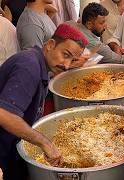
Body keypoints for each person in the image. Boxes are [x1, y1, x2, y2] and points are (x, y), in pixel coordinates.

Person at [0, 23, 88, 180]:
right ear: (50, 45)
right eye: (65, 55)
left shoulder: (40, 64)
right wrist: (44, 143)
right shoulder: (29, 66)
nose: (67, 65)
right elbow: (4, 114)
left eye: (72, 60)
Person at [69, 2, 124, 67]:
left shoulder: (71, 24)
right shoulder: (93, 43)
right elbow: (121, 60)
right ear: (89, 24)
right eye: (101, 23)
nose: (105, 26)